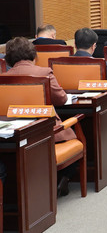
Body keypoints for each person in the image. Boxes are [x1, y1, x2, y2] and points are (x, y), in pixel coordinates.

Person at [1, 37, 76, 195]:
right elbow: (61, 99)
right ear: (32, 54)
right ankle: (63, 178)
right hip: (45, 132)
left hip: (16, 132)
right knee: (73, 131)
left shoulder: (3, 77)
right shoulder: (44, 73)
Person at [74, 28, 107, 128]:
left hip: (70, 111)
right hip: (100, 111)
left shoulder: (59, 64)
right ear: (93, 46)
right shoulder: (102, 64)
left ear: (75, 44)